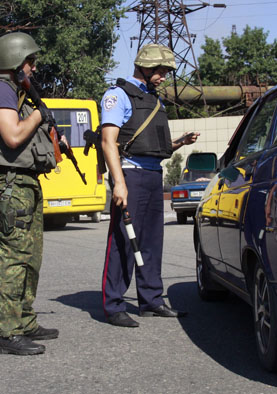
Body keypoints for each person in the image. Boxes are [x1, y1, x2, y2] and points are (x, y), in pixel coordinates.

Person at [0, 32, 62, 355]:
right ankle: (7, 334)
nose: (34, 68)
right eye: (30, 61)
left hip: (24, 182)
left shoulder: (14, 94)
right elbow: (11, 136)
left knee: (31, 256)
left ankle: (23, 319)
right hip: (9, 185)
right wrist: (40, 113)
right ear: (15, 61)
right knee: (13, 257)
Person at [101, 43, 200, 327]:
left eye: (166, 72)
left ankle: (151, 301)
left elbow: (155, 146)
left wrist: (181, 142)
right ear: (144, 66)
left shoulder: (155, 101)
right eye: (160, 71)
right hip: (129, 175)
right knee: (123, 240)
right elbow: (109, 142)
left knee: (152, 241)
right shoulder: (117, 95)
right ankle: (114, 305)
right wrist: (119, 183)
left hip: (153, 175)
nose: (164, 77)